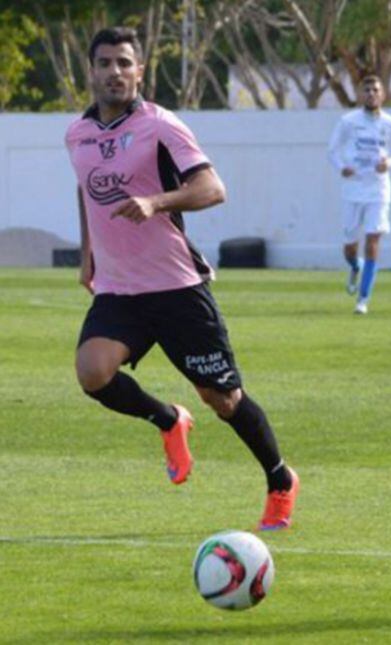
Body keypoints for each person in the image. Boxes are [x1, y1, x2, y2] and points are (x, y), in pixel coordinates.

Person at [66, 27, 298, 530]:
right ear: (91, 70)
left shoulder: (160, 126)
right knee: (92, 372)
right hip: (120, 289)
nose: (114, 72)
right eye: (104, 63)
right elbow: (86, 192)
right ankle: (168, 420)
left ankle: (280, 479)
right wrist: (88, 254)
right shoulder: (77, 134)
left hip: (175, 286)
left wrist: (157, 201)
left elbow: (213, 189)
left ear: (140, 71)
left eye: (124, 63)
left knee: (224, 400)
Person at [327, 75, 391, 315]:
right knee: (350, 247)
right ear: (361, 94)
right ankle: (355, 265)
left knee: (373, 241)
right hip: (353, 189)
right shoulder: (348, 121)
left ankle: (363, 299)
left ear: (383, 94)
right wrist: (343, 168)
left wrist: (388, 163)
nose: (371, 93)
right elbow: (332, 150)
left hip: (379, 189)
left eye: (376, 90)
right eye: (367, 89)